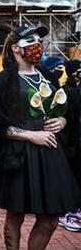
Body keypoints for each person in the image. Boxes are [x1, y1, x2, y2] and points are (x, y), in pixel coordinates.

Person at [0, 25, 81, 250]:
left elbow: (65, 110)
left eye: (39, 41)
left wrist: (63, 121)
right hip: (19, 155)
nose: (38, 46)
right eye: (31, 42)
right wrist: (31, 135)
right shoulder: (4, 80)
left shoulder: (48, 76)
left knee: (50, 219)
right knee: (15, 215)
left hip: (50, 154)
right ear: (17, 49)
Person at [58, 59, 81, 231]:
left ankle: (75, 207)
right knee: (69, 177)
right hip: (68, 143)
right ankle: (64, 211)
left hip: (76, 142)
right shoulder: (65, 90)